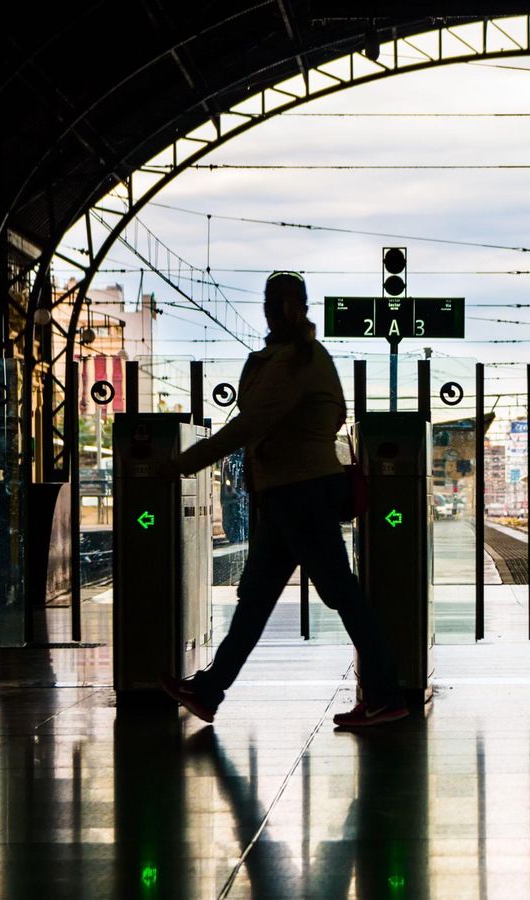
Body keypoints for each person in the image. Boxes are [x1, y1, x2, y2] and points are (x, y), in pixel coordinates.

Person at [160, 270, 408, 728]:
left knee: (342, 594)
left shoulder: (296, 359)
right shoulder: (298, 356)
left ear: (279, 307)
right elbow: (331, 412)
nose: (273, 310)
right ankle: (209, 690)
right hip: (286, 494)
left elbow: (249, 423)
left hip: (301, 494)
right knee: (258, 599)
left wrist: (182, 463)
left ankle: (386, 696)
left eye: (276, 302)